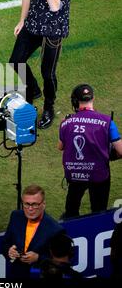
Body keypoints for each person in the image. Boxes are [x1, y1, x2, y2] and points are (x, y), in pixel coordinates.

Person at [9, 0, 75, 129]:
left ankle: (49, 107)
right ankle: (33, 90)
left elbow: (55, 6)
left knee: (48, 72)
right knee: (16, 61)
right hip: (33, 23)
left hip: (53, 29)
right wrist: (22, 19)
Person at [58, 84, 122, 218]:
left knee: (71, 208)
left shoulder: (65, 122)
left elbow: (60, 147)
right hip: (99, 174)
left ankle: (70, 226)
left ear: (75, 101)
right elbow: (120, 151)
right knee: (99, 212)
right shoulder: (107, 122)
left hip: (75, 174)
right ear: (93, 98)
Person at [3, 184, 64, 278]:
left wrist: (38, 258)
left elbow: (61, 262)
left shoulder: (55, 229)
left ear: (43, 204)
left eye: (35, 204)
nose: (30, 209)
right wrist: (9, 251)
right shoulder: (16, 216)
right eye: (26, 204)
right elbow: (5, 242)